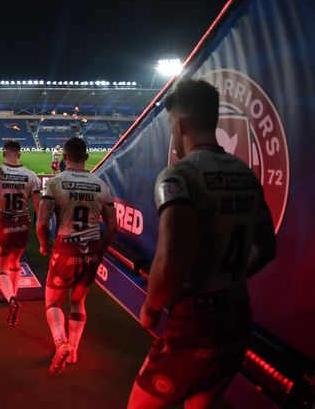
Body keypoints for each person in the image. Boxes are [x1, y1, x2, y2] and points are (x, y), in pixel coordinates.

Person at [126, 80, 276, 408]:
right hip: (237, 321)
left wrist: (151, 309)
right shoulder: (246, 175)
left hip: (195, 326)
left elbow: (170, 261)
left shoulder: (178, 176)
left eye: (170, 126)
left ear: (180, 124)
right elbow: (267, 247)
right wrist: (228, 280)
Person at [37, 137, 118, 375]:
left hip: (66, 249)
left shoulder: (55, 183)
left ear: (63, 156)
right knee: (77, 301)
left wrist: (44, 245)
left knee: (53, 302)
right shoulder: (101, 185)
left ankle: (61, 344)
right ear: (86, 156)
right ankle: (73, 351)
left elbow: (42, 224)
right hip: (91, 250)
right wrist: (100, 248)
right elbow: (113, 226)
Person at [0, 141, 40, 326]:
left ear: (3, 153)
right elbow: (38, 207)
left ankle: (11, 299)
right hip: (23, 224)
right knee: (15, 263)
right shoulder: (31, 175)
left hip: (3, 223)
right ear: (20, 154)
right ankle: (15, 294)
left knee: (0, 270)